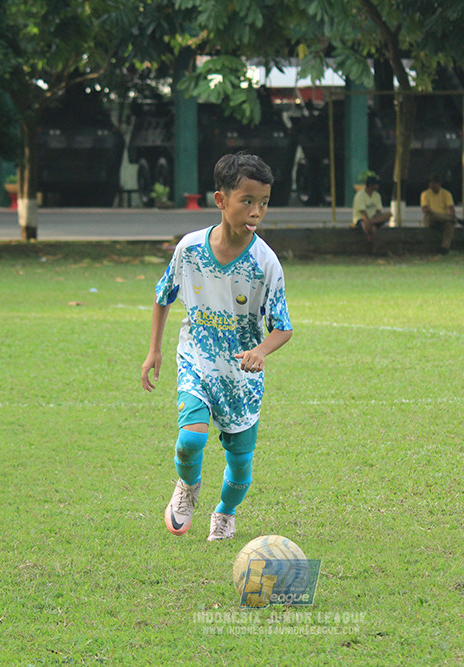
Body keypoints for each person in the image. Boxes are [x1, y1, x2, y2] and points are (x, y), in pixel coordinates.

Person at [141, 152, 293, 542]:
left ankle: (225, 512)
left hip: (242, 376)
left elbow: (283, 328)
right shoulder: (190, 249)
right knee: (190, 440)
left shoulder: (266, 263)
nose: (256, 211)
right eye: (247, 200)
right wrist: (154, 349)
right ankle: (187, 487)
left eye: (264, 202)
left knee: (241, 468)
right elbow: (163, 295)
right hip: (197, 359)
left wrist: (261, 350)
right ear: (221, 200)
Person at [420, 173, 458, 254]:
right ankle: (453, 219)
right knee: (433, 215)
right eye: (430, 183)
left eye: (434, 183)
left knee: (450, 226)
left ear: (439, 184)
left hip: (443, 220)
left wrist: (451, 215)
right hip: (431, 219)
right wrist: (451, 218)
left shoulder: (447, 194)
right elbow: (425, 209)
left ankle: (444, 248)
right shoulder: (425, 194)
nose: (432, 186)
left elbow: (450, 209)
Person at [352, 175, 392, 248]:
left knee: (389, 214)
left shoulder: (377, 195)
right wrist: (367, 222)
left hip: (373, 219)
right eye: (376, 184)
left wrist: (373, 220)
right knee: (373, 229)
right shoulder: (360, 195)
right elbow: (363, 213)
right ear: (371, 185)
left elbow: (378, 210)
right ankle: (374, 249)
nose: (378, 186)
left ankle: (370, 223)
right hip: (361, 219)